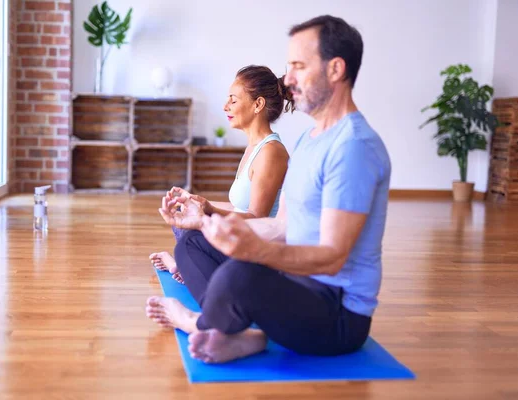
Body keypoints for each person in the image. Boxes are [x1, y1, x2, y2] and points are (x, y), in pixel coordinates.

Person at [146, 15, 391, 364]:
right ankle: (248, 336)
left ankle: (195, 322)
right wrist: (204, 221)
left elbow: (334, 256)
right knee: (200, 243)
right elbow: (280, 227)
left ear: (335, 69)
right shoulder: (310, 140)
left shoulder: (353, 146)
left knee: (241, 273)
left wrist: (254, 252)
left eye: (298, 66)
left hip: (338, 316)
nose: (287, 79)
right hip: (300, 288)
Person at [149, 65, 293, 283]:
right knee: (183, 216)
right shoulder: (253, 148)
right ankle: (189, 268)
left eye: (233, 100)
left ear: (258, 104)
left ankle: (187, 269)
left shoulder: (271, 152)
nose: (226, 106)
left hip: (258, 253)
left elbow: (258, 219)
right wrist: (199, 202)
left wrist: (209, 211)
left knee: (192, 238)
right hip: (241, 239)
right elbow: (239, 209)